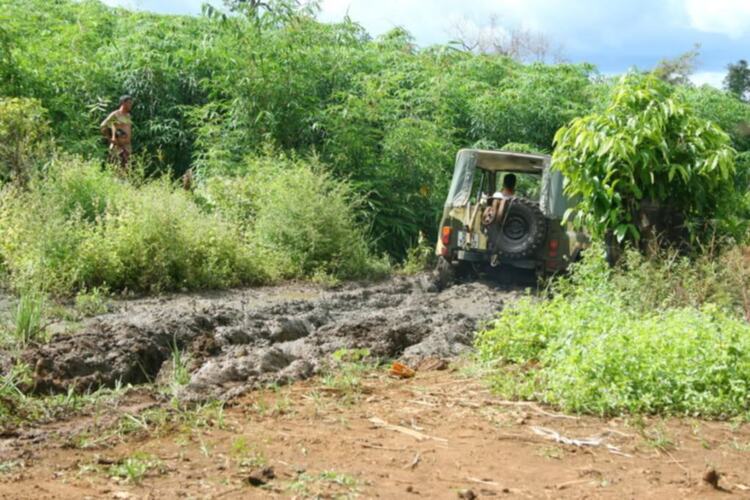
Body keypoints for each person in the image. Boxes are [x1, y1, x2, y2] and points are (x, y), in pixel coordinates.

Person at [100, 95, 133, 172]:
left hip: (127, 146)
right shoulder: (115, 114)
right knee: (116, 167)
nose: (131, 105)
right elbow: (103, 126)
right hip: (117, 146)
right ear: (123, 103)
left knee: (126, 168)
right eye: (129, 103)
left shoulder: (128, 116)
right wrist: (110, 138)